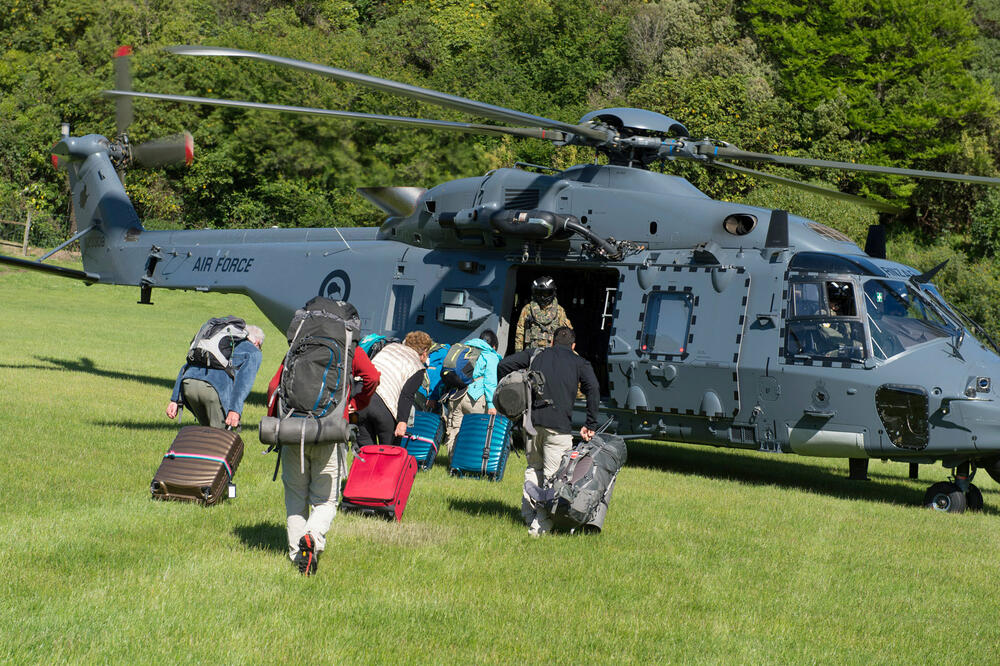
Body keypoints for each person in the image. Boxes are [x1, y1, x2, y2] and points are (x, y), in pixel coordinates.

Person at [280, 309, 380, 576]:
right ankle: (312, 535)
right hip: (330, 429)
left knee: (295, 498)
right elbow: (372, 378)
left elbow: (273, 385)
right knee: (325, 500)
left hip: (293, 428)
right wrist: (353, 406)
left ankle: (295, 555)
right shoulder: (348, 344)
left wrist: (279, 425)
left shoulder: (300, 339)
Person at [498, 326, 600, 536]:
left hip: (532, 424)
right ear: (573, 346)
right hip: (559, 429)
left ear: (552, 342)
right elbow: (594, 389)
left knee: (533, 468)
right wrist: (590, 424)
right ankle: (540, 527)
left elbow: (504, 365)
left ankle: (528, 514)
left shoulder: (535, 354)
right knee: (554, 479)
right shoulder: (580, 362)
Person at [166, 324, 265, 429]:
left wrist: (175, 399)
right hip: (213, 391)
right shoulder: (253, 351)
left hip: (189, 385)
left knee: (207, 433)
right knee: (219, 439)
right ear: (257, 342)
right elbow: (243, 383)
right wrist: (235, 410)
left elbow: (186, 365)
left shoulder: (222, 341)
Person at [429, 330, 502, 458]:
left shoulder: (465, 349)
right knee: (477, 431)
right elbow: (490, 382)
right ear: (494, 346)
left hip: (456, 395)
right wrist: (491, 404)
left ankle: (453, 463)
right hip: (476, 398)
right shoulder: (490, 355)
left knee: (454, 429)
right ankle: (470, 463)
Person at [357, 330, 433, 447]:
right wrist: (402, 422)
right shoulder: (417, 367)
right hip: (383, 405)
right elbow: (406, 395)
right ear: (424, 351)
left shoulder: (389, 347)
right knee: (389, 452)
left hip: (361, 398)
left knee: (365, 452)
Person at [513, 276, 573, 352]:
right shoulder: (528, 309)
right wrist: (518, 352)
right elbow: (520, 332)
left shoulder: (559, 310)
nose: (543, 297)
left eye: (546, 293)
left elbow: (566, 334)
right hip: (531, 351)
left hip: (552, 352)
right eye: (539, 293)